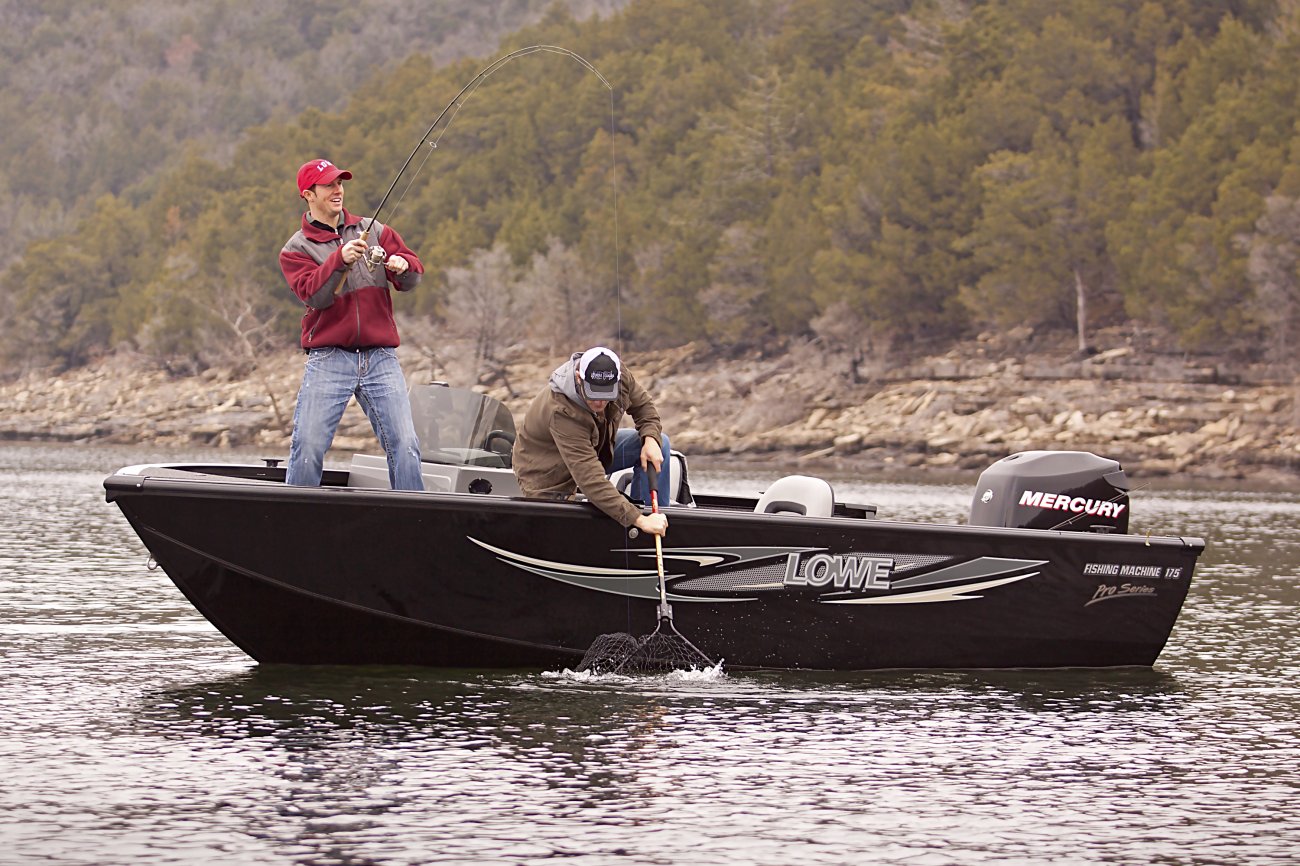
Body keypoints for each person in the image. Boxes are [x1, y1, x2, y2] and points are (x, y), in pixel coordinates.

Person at [279, 158, 425, 490]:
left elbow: (413, 277)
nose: (338, 190)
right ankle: (295, 522)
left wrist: (404, 266)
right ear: (308, 194)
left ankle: (415, 523)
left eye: (340, 183)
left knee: (405, 445)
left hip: (381, 357)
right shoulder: (295, 250)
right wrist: (338, 260)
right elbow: (314, 296)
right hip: (329, 358)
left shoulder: (375, 230)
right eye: (329, 185)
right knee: (308, 448)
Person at [512, 347, 672, 536]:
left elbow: (643, 406)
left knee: (661, 442)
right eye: (594, 393)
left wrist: (650, 439)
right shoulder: (561, 411)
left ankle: (658, 523)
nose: (599, 402)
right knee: (556, 530)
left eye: (606, 394)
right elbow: (590, 480)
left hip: (593, 447)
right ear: (579, 378)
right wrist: (638, 519)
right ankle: (642, 522)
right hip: (546, 469)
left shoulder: (618, 373)